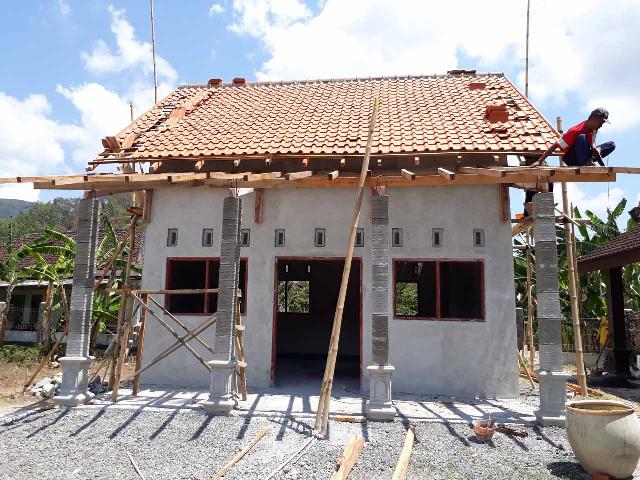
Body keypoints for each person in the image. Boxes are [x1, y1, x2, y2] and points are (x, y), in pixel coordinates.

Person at [523, 108, 616, 215]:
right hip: (572, 159)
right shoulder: (575, 131)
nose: (601, 126)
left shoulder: (594, 129)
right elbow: (555, 146)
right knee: (582, 138)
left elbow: (594, 149)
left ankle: (587, 161)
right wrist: (539, 161)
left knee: (611, 145)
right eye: (601, 123)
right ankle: (586, 162)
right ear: (594, 119)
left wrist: (603, 168)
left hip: (584, 155)